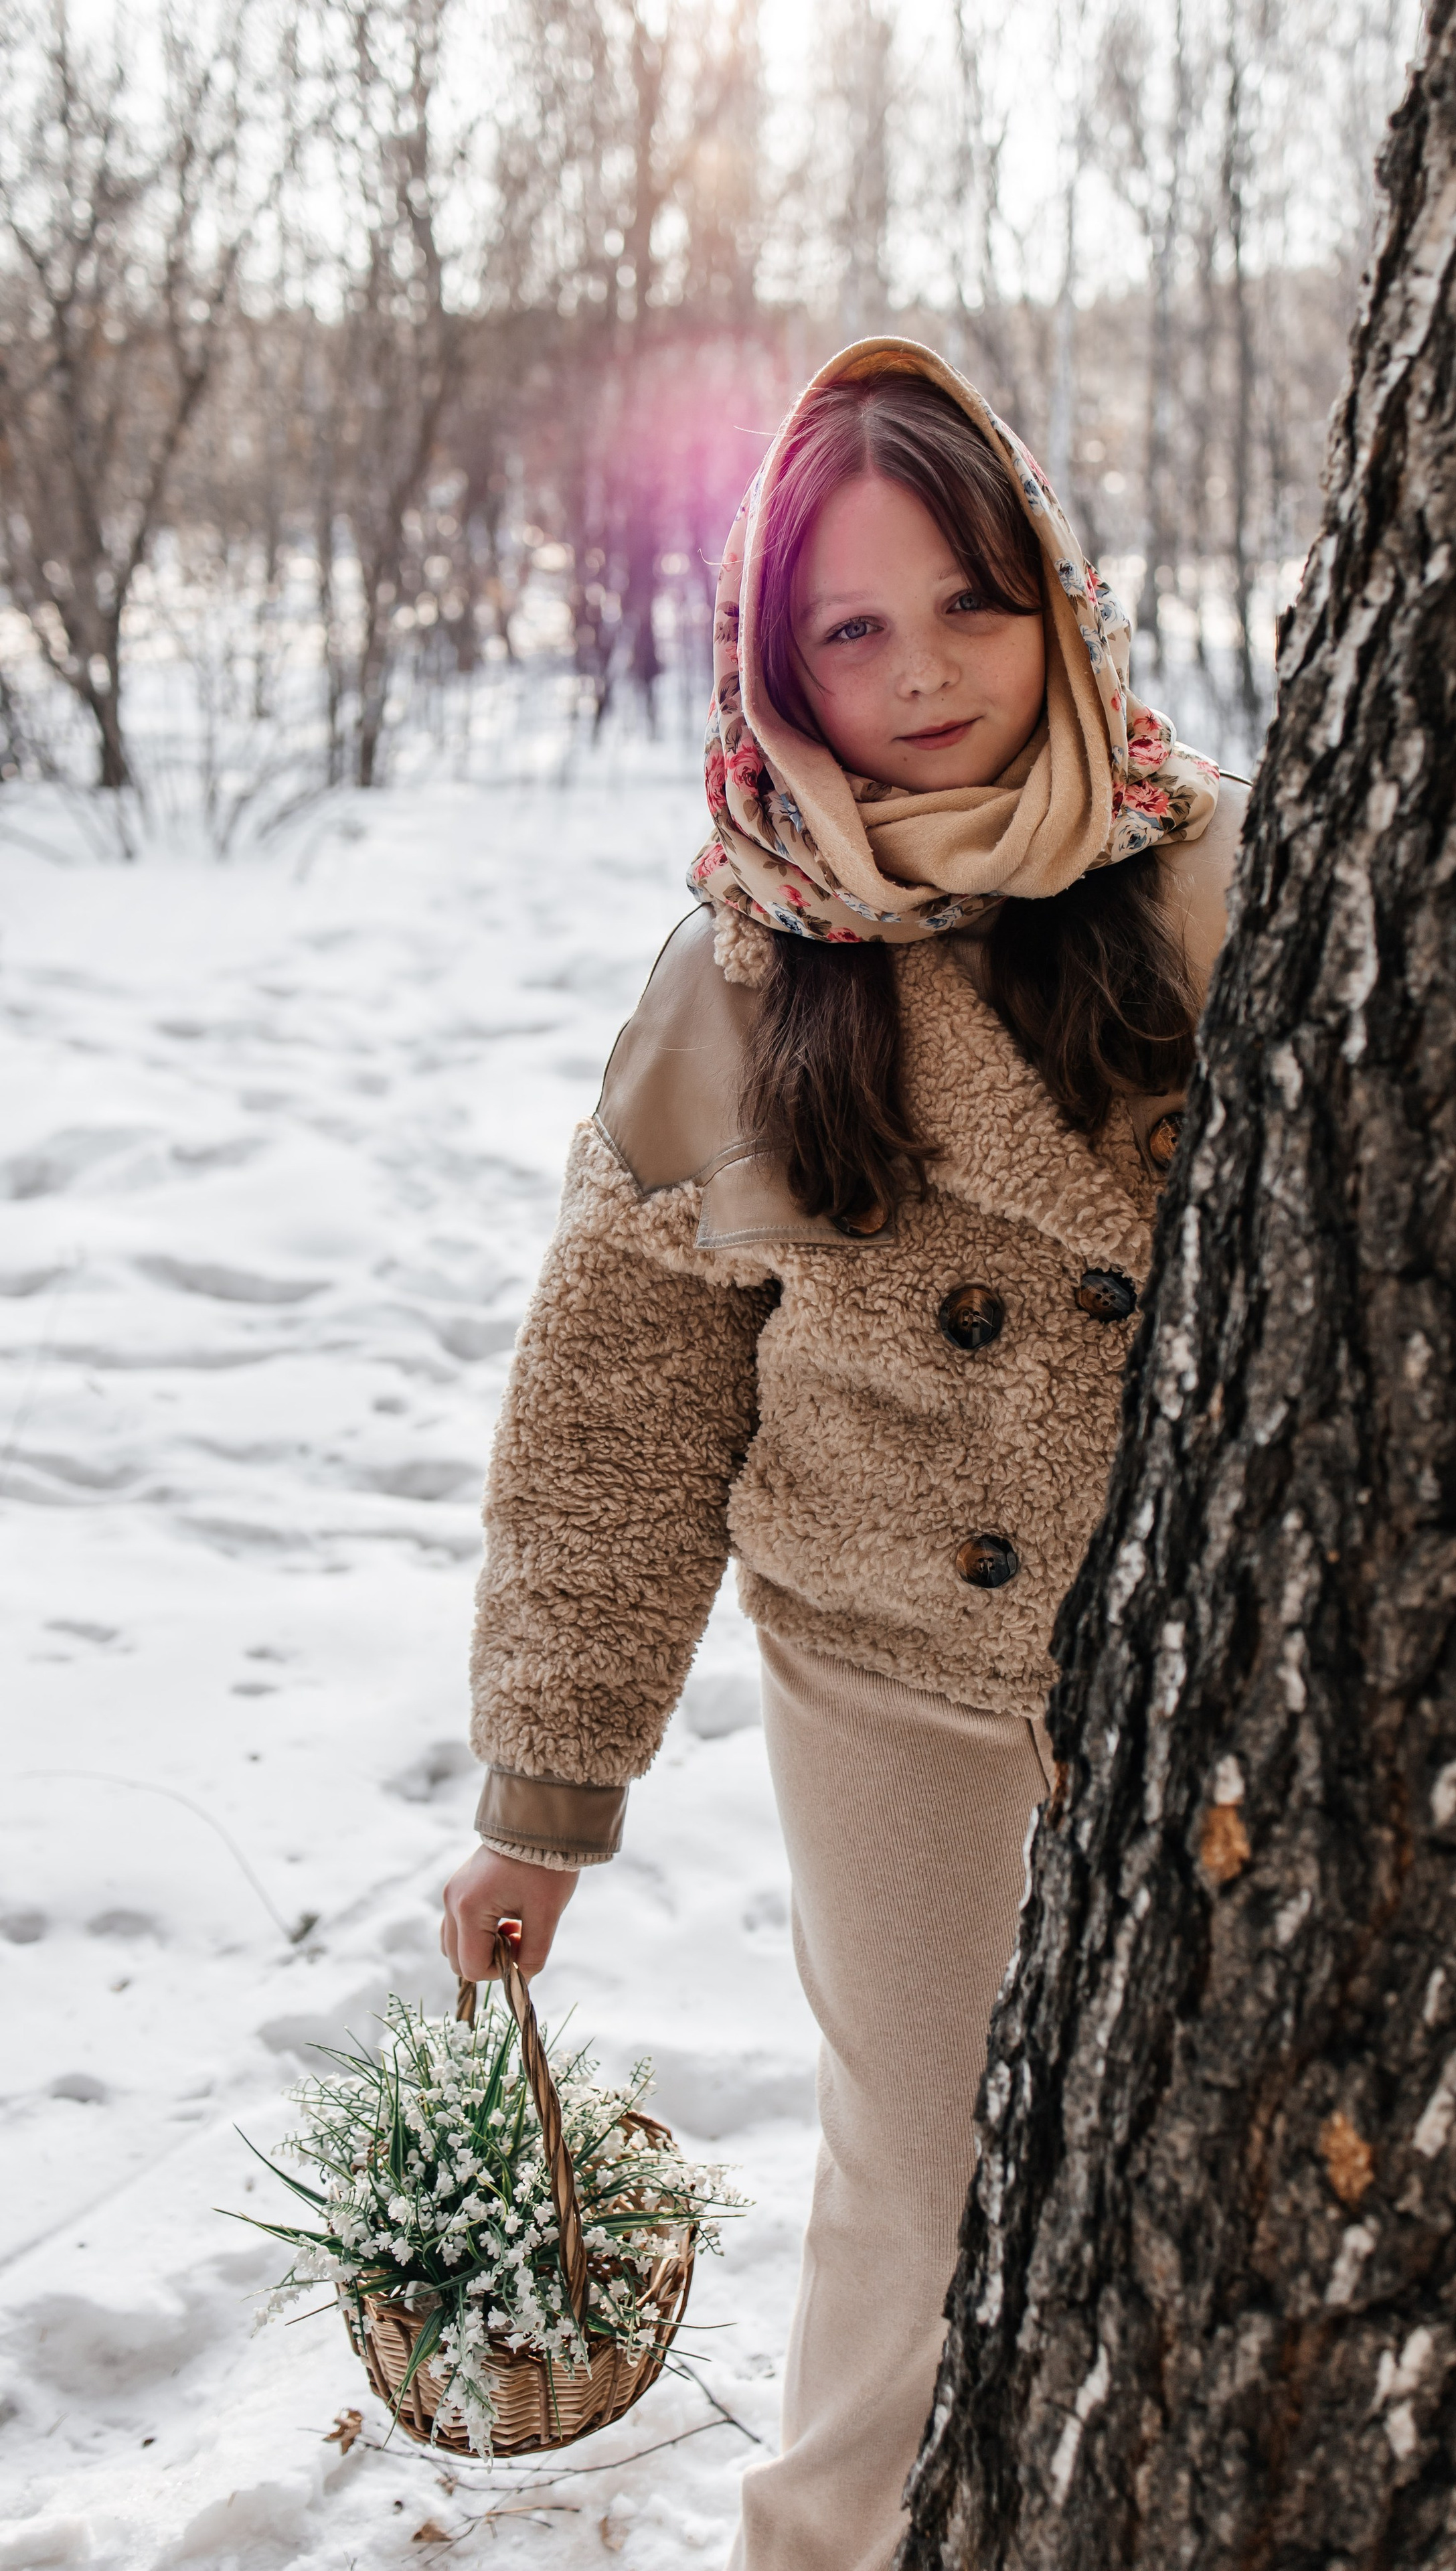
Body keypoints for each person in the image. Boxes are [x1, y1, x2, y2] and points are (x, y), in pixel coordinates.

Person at [441, 335, 1244, 2570]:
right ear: (775, 661)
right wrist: (548, 1793)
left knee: (1232, 2151)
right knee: (924, 2175)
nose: (924, 674)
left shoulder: (1212, 891)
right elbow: (613, 1421)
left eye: (972, 605)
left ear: (1058, 601)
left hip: (1207, 1650)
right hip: (895, 1673)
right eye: (852, 628)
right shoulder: (735, 981)